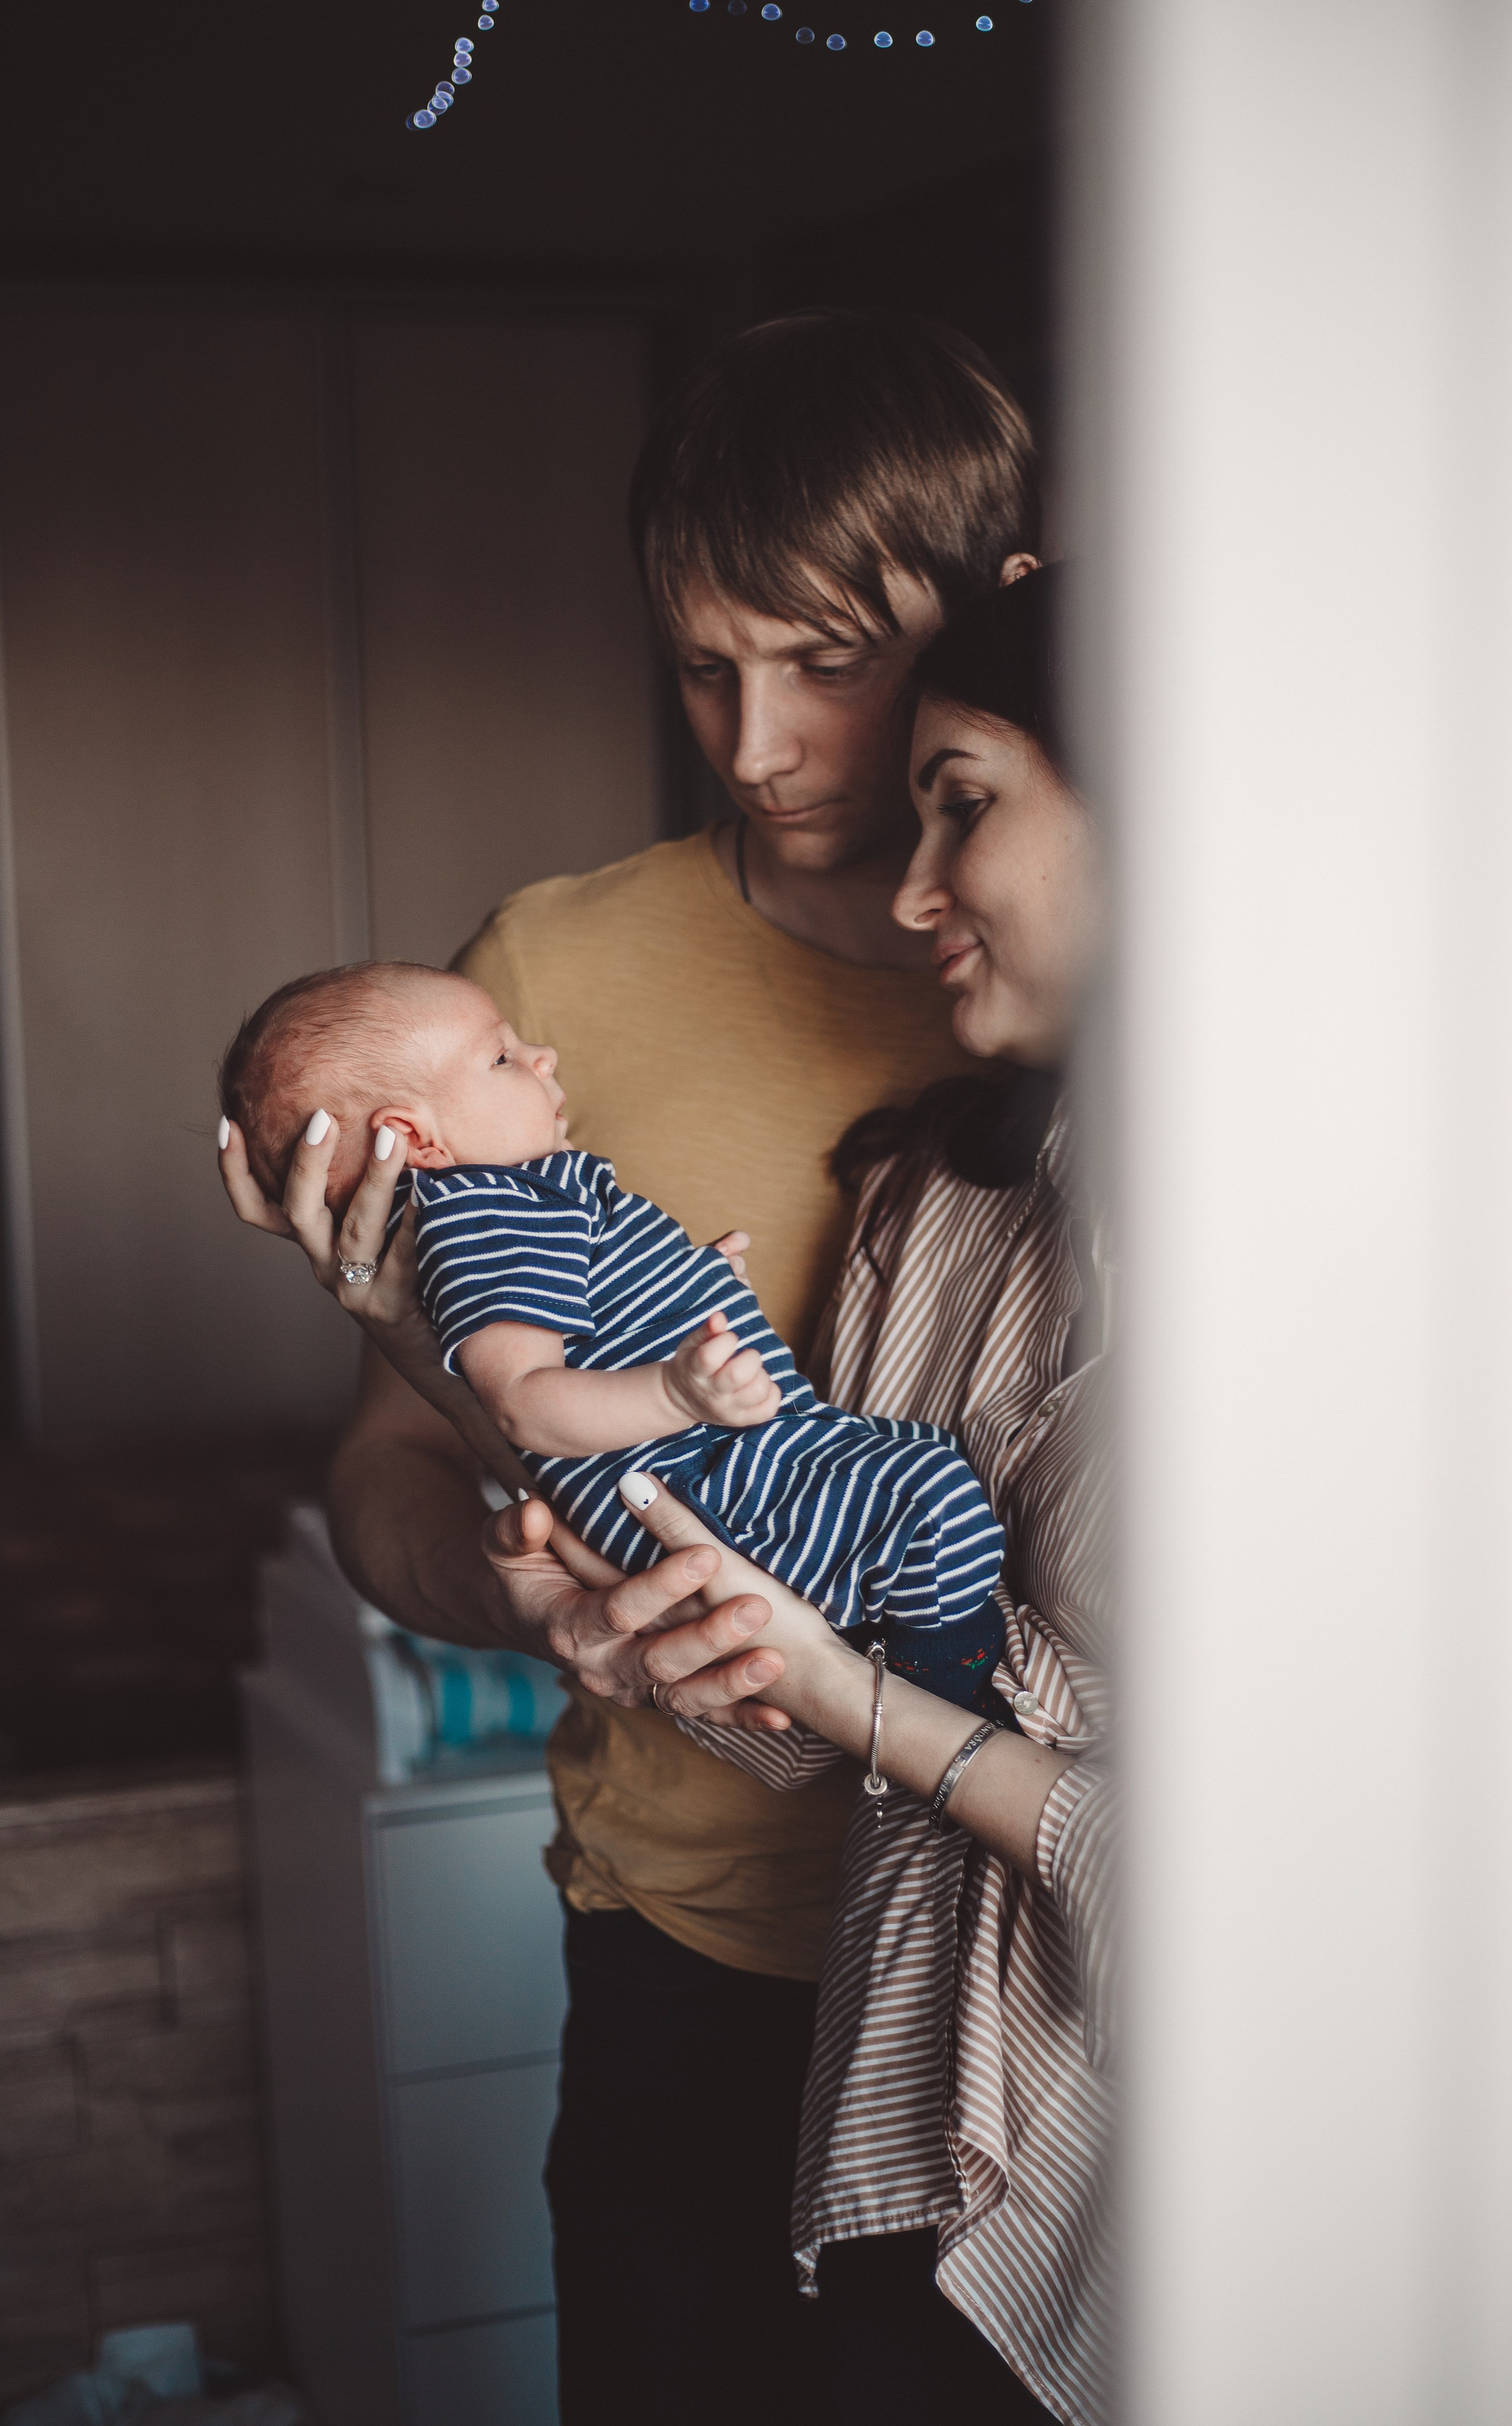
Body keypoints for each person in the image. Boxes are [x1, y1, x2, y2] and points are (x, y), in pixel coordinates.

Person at [219, 309, 1041, 2424]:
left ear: (998, 607)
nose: (758, 743)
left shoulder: (1066, 982)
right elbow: (393, 1462)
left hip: (1019, 1985)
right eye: (703, 663)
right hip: (688, 1944)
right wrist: (501, 1590)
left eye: (828, 654)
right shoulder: (538, 982)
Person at [600, 567, 1115, 2424]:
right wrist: (669, 1611)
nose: (906, 896)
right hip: (897, 2114)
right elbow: (824, 1702)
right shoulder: (933, 1202)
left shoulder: (1404, 1273)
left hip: (1186, 2171)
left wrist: (850, 1694)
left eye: (960, 799)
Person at [219, 960, 1005, 1698]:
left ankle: (925, 1685)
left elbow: (601, 1314)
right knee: (927, 1500)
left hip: (719, 1459)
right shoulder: (487, 1215)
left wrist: (695, 1287)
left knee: (918, 1481)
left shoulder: (519, 1199)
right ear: (417, 1137)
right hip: (700, 1484)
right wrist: (676, 1388)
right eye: (501, 1057)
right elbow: (524, 1402)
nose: (543, 1055)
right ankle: (946, 1701)